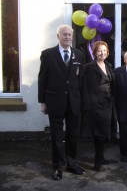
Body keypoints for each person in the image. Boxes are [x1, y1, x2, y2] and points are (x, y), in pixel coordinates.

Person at [38, 24, 86, 180]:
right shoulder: (48, 54)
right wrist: (42, 102)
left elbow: (81, 80)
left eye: (69, 34)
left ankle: (72, 163)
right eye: (64, 34)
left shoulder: (79, 54)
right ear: (58, 36)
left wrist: (82, 102)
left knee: (72, 135)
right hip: (54, 102)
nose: (67, 37)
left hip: (74, 102)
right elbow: (42, 79)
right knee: (57, 136)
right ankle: (58, 167)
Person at [81, 41, 115, 171]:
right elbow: (84, 87)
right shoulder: (89, 67)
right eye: (99, 50)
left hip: (107, 103)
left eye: (104, 50)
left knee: (104, 133)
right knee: (98, 134)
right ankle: (98, 160)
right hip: (95, 104)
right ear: (95, 52)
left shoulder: (108, 65)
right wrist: (86, 104)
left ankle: (100, 157)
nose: (102, 53)